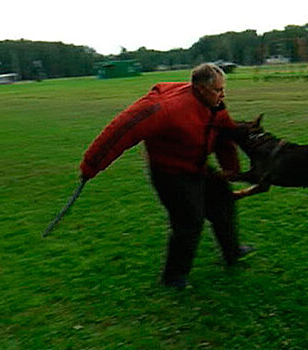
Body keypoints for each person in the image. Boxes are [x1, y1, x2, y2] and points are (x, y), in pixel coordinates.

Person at [79, 63, 254, 289]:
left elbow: (223, 134)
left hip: (197, 166)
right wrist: (90, 166)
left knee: (223, 200)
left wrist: (231, 169)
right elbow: (122, 130)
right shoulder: (166, 108)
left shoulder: (215, 105)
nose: (223, 95)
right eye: (218, 90)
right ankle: (174, 277)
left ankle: (232, 252)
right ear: (200, 89)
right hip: (170, 173)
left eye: (223, 89)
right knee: (189, 221)